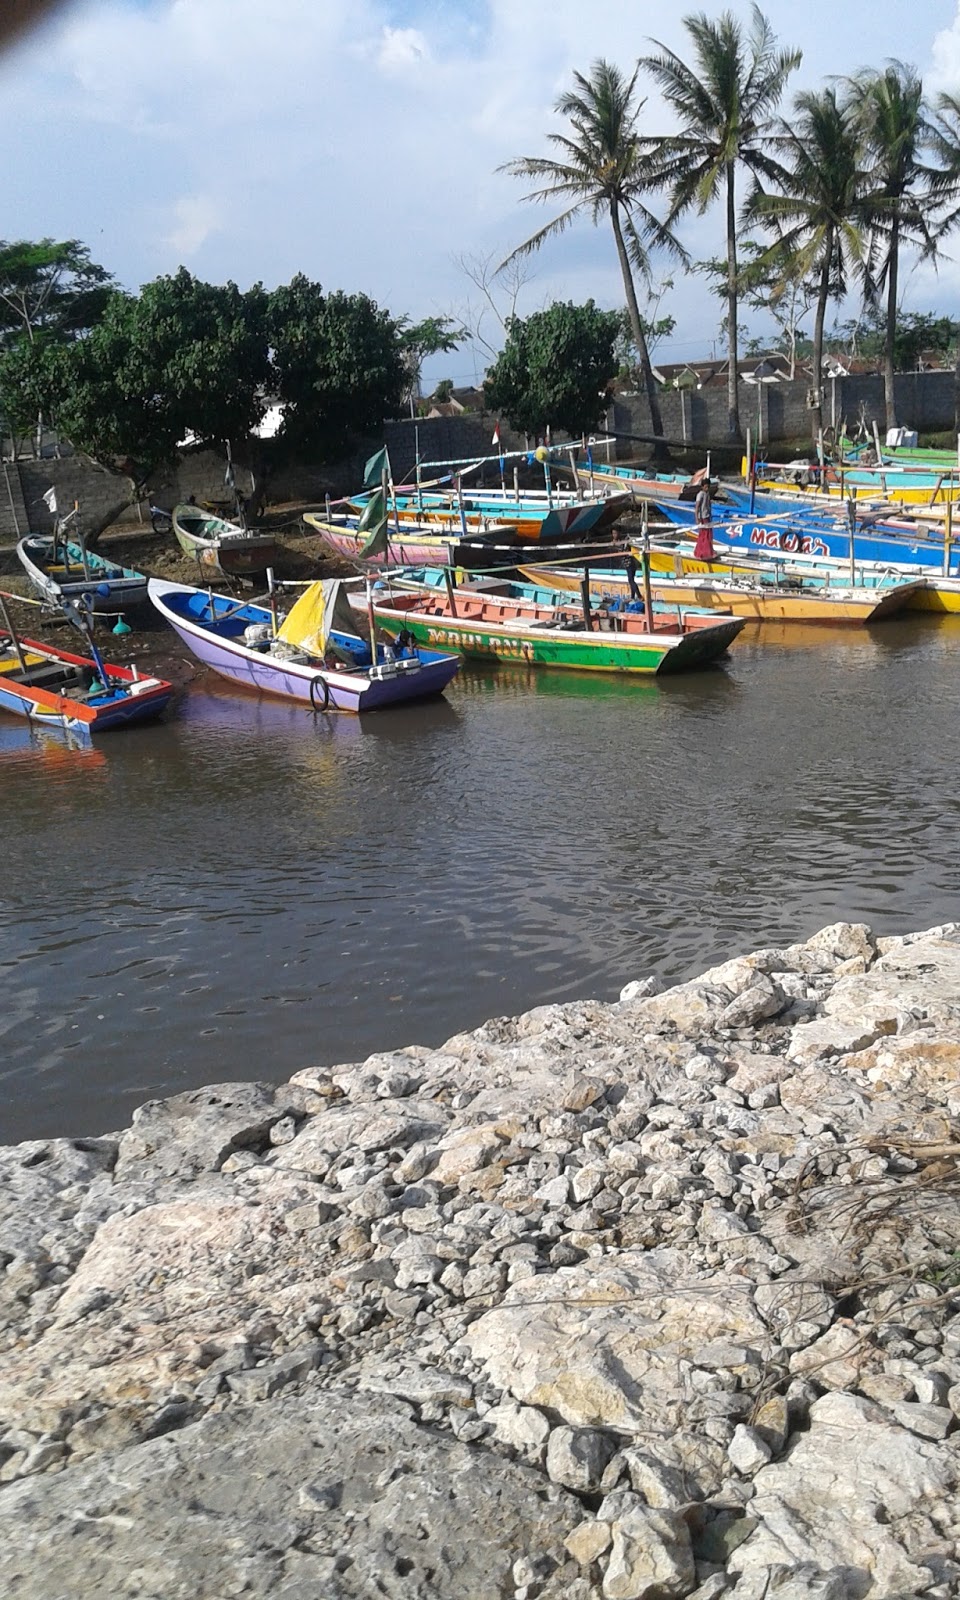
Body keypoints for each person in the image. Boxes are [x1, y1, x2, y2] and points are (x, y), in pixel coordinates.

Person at [693, 479, 715, 562]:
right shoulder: (700, 494)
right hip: (703, 517)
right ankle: (703, 553)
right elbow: (697, 507)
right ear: (702, 487)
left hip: (707, 516)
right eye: (706, 487)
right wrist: (697, 518)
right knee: (704, 535)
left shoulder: (707, 494)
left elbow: (708, 506)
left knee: (708, 535)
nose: (707, 488)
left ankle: (709, 552)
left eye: (708, 487)